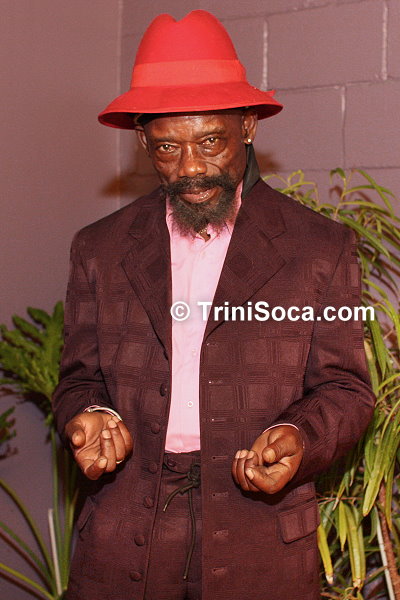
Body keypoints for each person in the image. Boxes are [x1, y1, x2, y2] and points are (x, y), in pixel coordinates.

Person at [53, 10, 375, 600]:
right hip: (122, 543)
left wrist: (298, 436)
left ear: (247, 126)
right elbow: (79, 378)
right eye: (167, 148)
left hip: (260, 546)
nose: (192, 168)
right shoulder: (98, 248)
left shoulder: (320, 248)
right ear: (142, 139)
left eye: (210, 141)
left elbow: (346, 389)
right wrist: (90, 413)